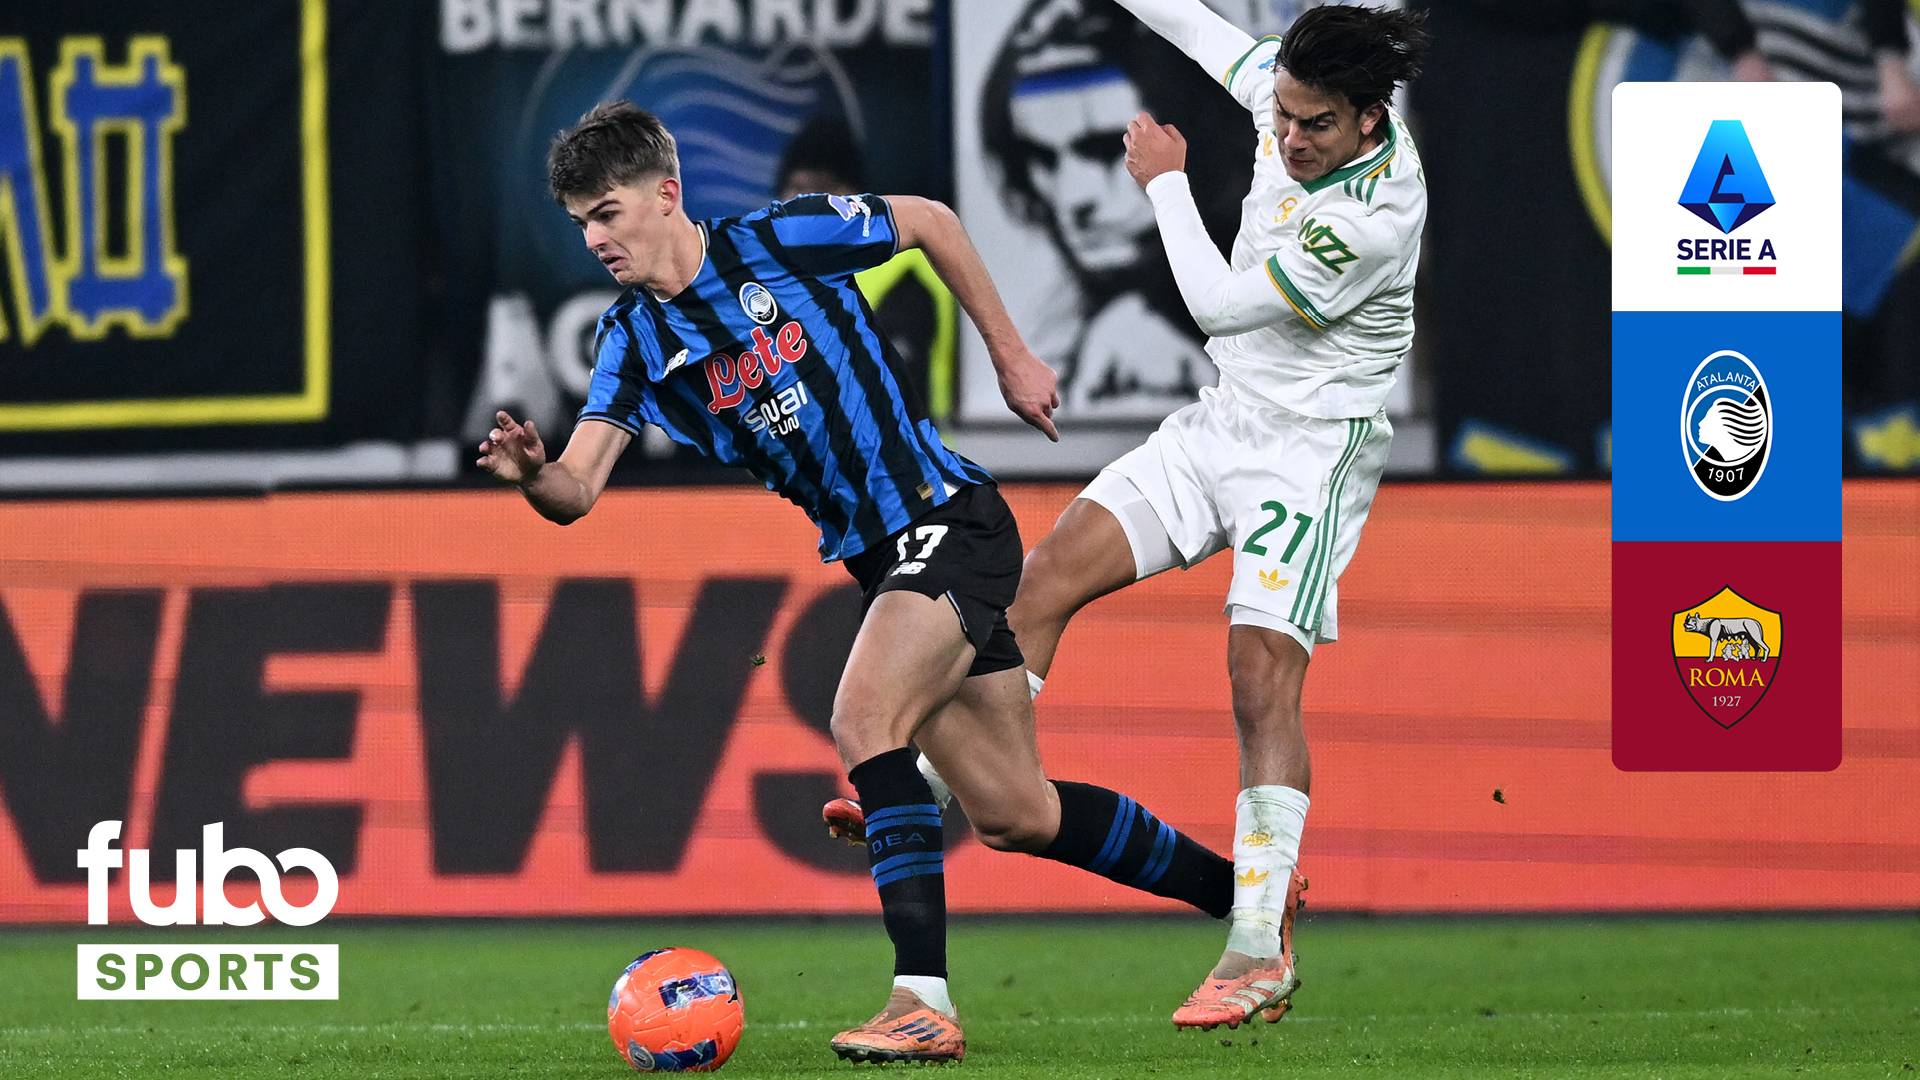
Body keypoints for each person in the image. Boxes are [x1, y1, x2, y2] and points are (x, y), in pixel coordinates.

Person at [479, 100, 1240, 1064]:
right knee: (1017, 813)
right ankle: (1246, 898)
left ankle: (922, 1001)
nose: (595, 239)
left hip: (946, 518)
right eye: (581, 222)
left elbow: (931, 222)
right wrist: (533, 475)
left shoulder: (779, 239)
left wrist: (1010, 355)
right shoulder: (631, 339)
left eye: (608, 213)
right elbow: (579, 489)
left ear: (666, 194)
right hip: (882, 559)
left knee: (862, 717)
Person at [828, 1, 1432, 1029]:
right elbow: (1193, 26)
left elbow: (1219, 304)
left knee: (1259, 676)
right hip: (1224, 420)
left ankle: (1257, 944)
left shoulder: (1375, 218)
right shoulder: (1290, 91)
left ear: (1370, 118)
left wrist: (1165, 184)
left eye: (1315, 125)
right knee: (1043, 579)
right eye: (1283, 114)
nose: (1289, 137)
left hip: (1310, 452)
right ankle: (933, 782)